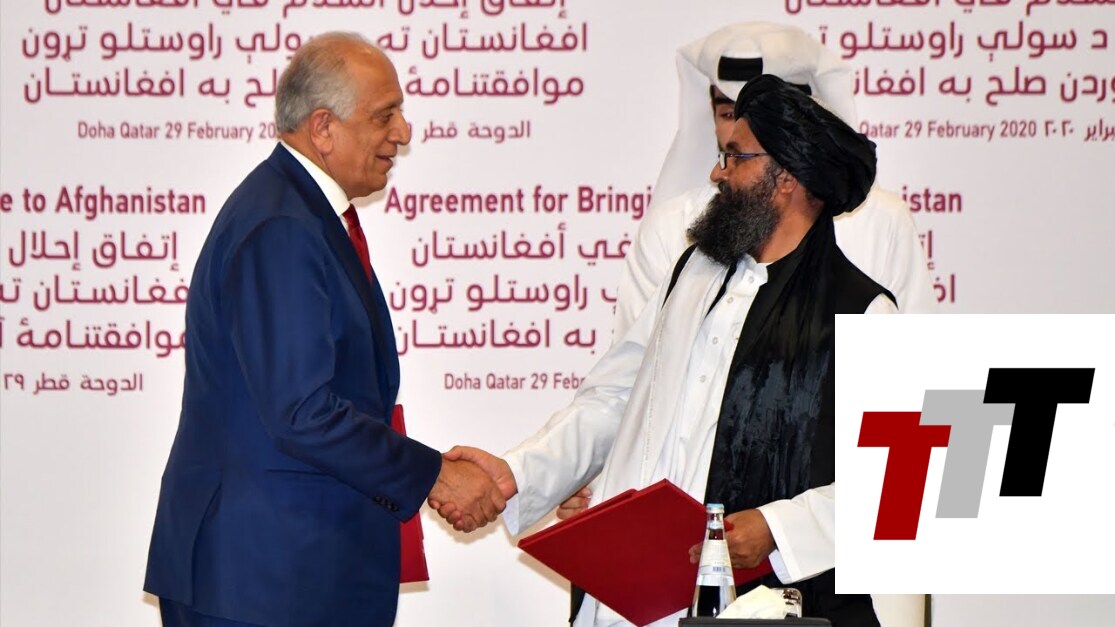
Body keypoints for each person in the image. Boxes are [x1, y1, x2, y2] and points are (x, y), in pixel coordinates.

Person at [437, 74, 892, 627]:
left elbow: (907, 492)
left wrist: (777, 529)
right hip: (635, 599)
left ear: (786, 179)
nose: (717, 173)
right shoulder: (693, 274)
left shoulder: (865, 310)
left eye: (735, 157)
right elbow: (614, 400)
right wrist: (515, 474)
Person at [143, 32, 506, 627]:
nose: (403, 132)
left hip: (287, 571)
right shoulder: (282, 226)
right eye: (384, 115)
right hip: (264, 580)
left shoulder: (297, 212)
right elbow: (302, 411)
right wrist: (435, 475)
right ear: (323, 128)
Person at [614, 21, 936, 341]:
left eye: (767, 116)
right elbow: (635, 364)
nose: (741, 130)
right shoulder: (670, 228)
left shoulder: (884, 223)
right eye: (728, 114)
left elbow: (917, 358)